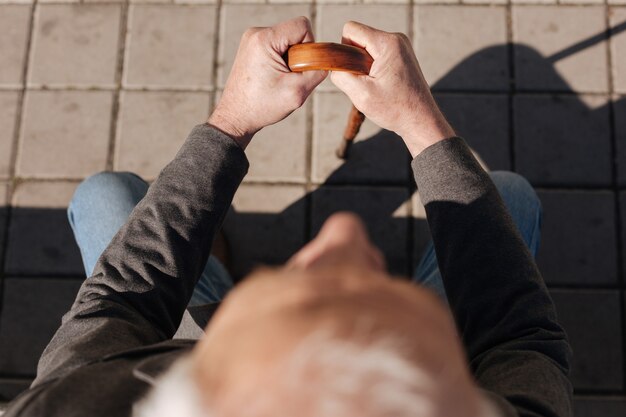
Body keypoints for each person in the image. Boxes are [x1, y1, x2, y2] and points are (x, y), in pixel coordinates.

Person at [3, 17, 571, 417]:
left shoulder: (78, 404)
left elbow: (120, 300)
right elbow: (519, 342)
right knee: (508, 196)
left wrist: (231, 122)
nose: (343, 230)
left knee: (106, 195)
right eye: (359, 280)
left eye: (306, 282)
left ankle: (213, 262)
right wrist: (422, 125)